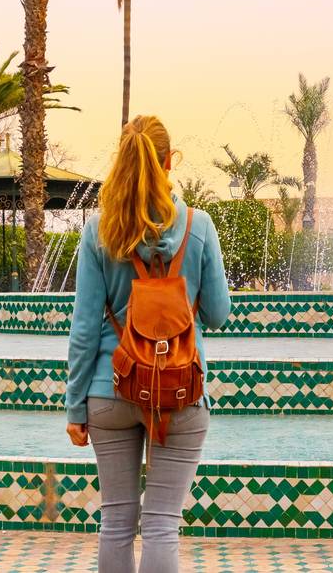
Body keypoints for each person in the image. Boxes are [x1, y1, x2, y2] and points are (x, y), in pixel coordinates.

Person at [66, 116, 230, 573]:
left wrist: (74, 408)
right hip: (179, 392)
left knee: (116, 523)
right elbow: (218, 315)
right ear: (168, 162)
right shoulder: (199, 226)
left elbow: (83, 330)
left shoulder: (100, 230)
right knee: (161, 527)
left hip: (109, 389)